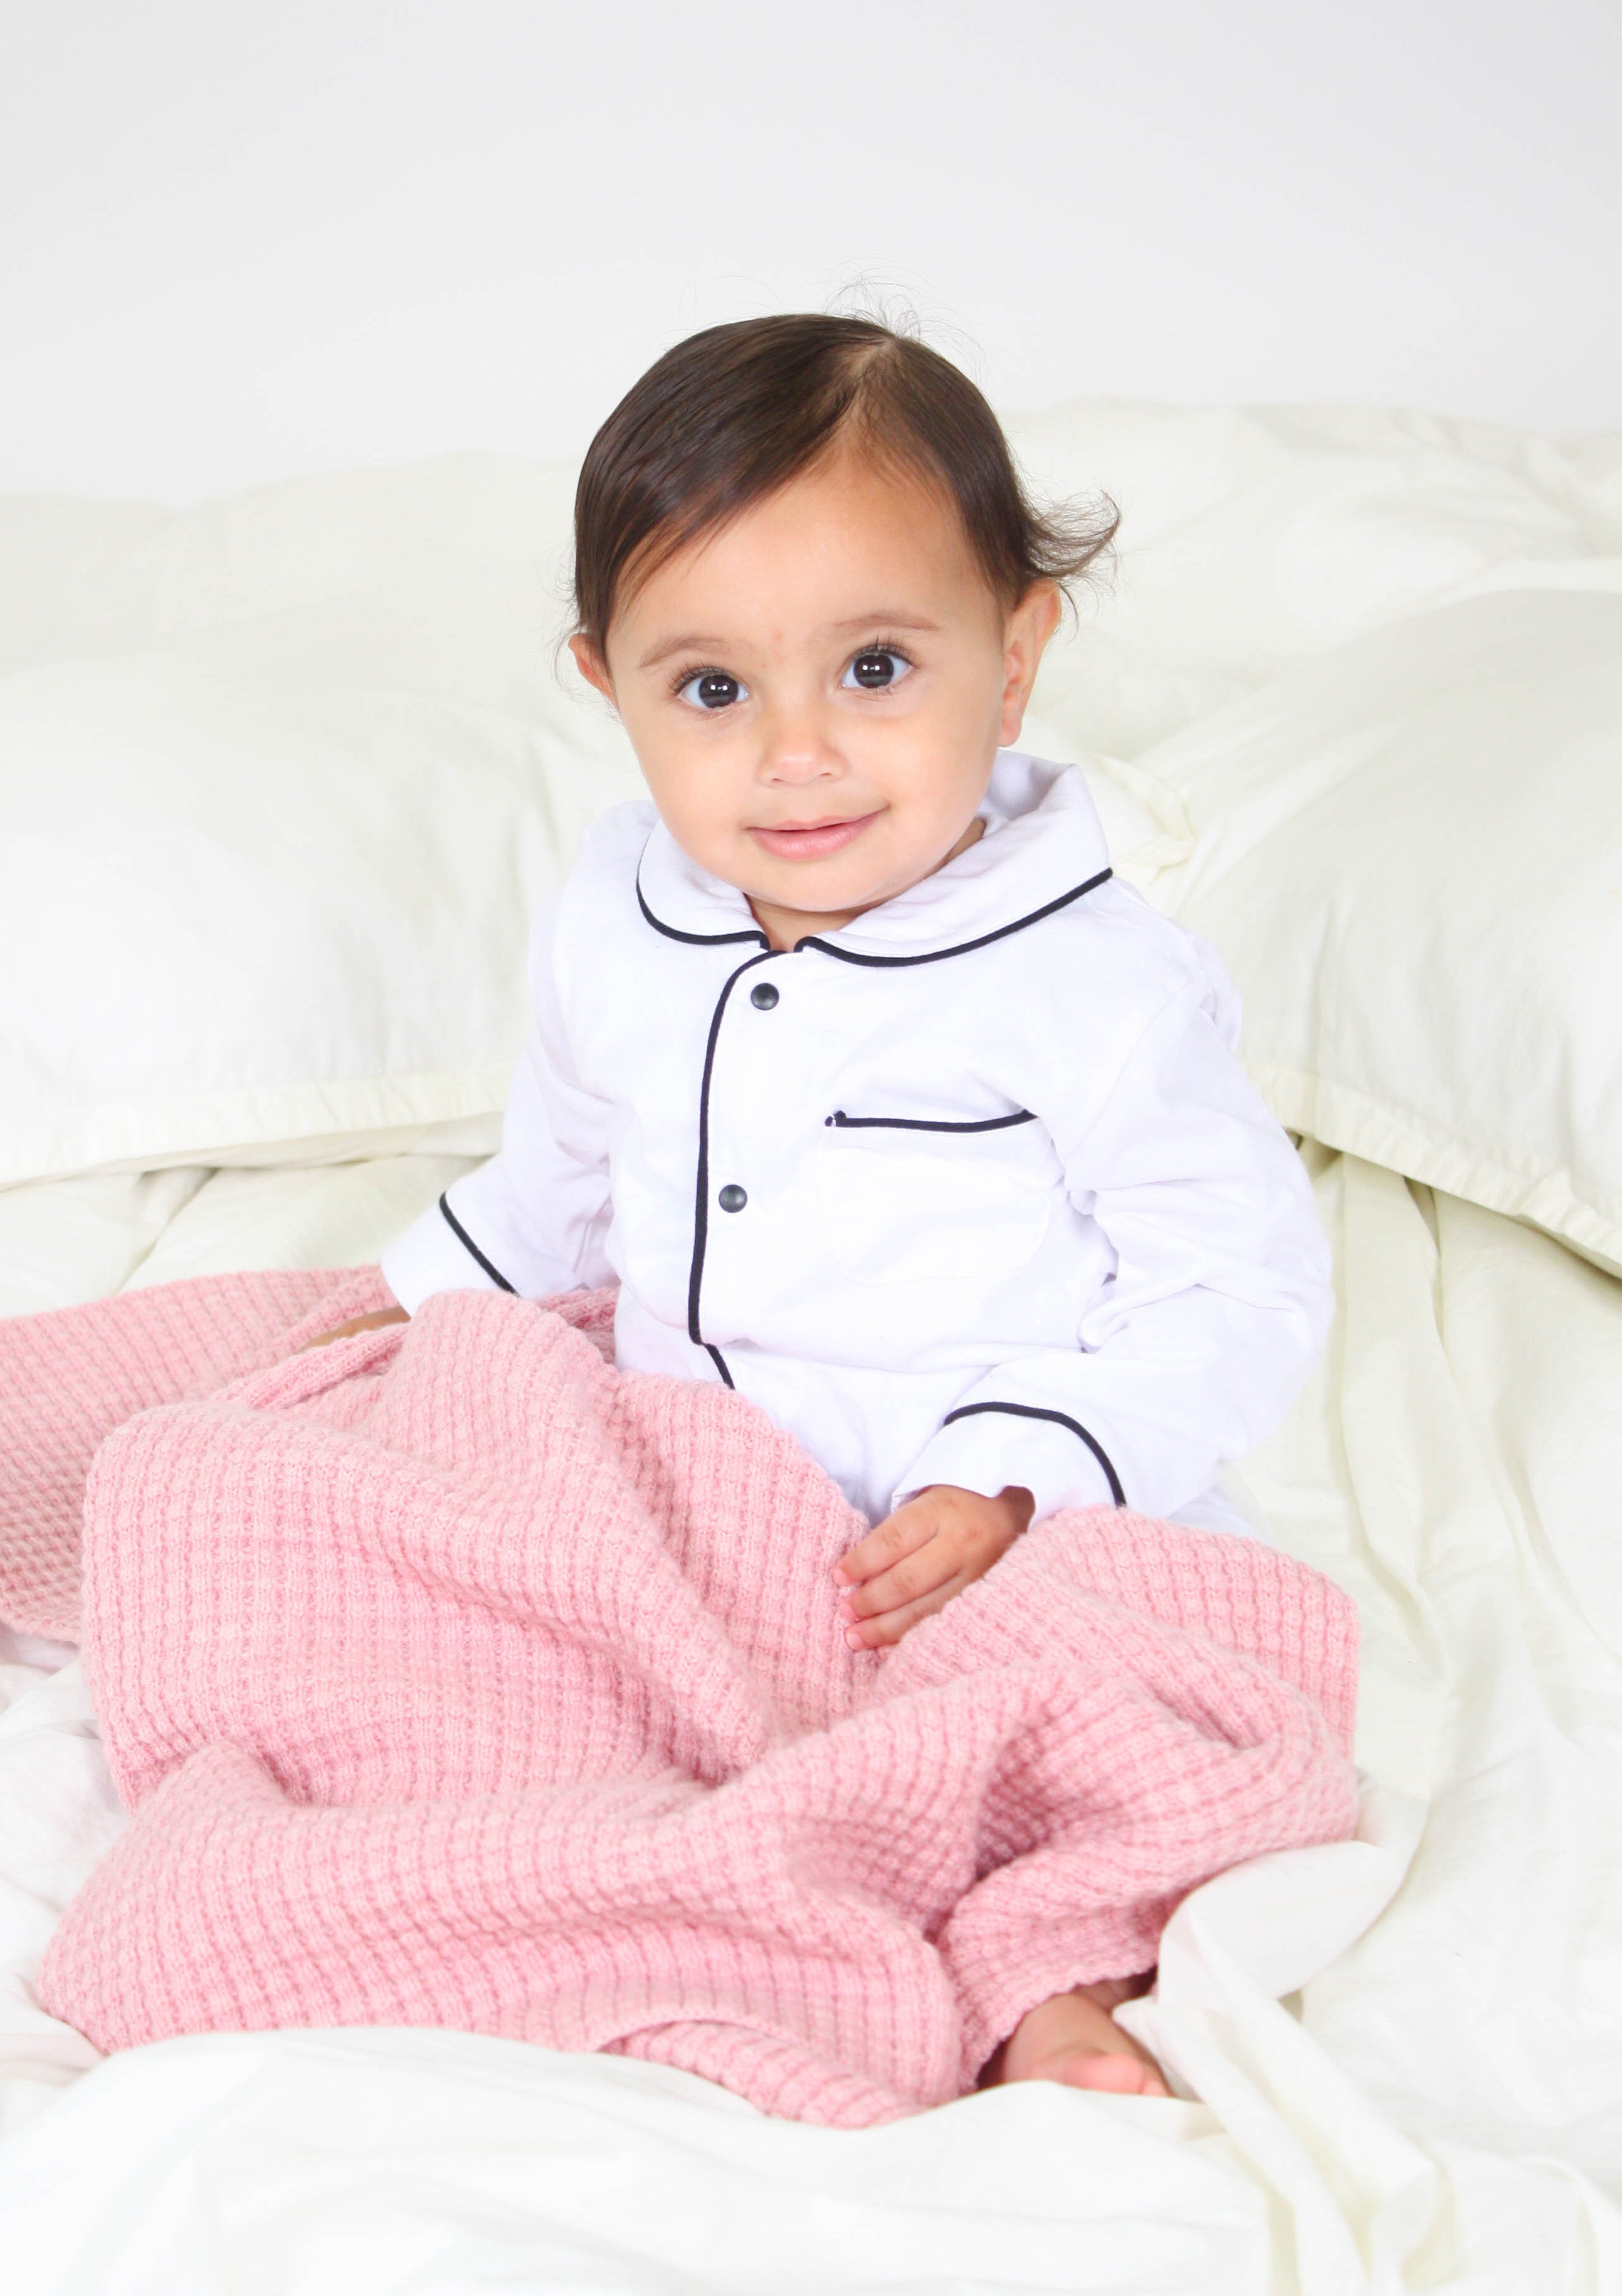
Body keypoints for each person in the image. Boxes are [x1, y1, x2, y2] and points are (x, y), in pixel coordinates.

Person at [313, 314, 1333, 2098]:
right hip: (689, 1514)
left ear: (1014, 662)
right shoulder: (621, 917)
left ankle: (1045, 1986)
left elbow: (1238, 1290)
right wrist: (403, 1308)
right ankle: (652, 1904)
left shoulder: (1092, 985)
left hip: (976, 1545)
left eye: (875, 668)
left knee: (1115, 1723)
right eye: (711, 690)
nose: (796, 755)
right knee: (359, 1546)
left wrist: (1026, 1465)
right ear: (606, 683)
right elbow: (557, 1183)